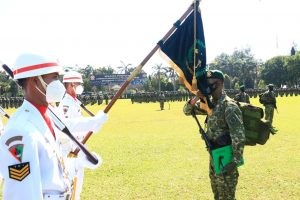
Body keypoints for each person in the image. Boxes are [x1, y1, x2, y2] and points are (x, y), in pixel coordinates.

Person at [0, 54, 101, 200]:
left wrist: (76, 164)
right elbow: (22, 194)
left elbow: (49, 169)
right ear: (34, 81)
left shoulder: (46, 117)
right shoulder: (21, 130)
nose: (59, 84)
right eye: (54, 78)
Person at [183, 70, 245, 200]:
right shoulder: (209, 104)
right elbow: (187, 110)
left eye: (210, 83)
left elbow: (238, 136)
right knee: (217, 195)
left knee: (227, 197)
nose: (207, 86)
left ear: (220, 83)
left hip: (227, 161)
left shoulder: (229, 106)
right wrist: (196, 97)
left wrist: (235, 162)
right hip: (214, 157)